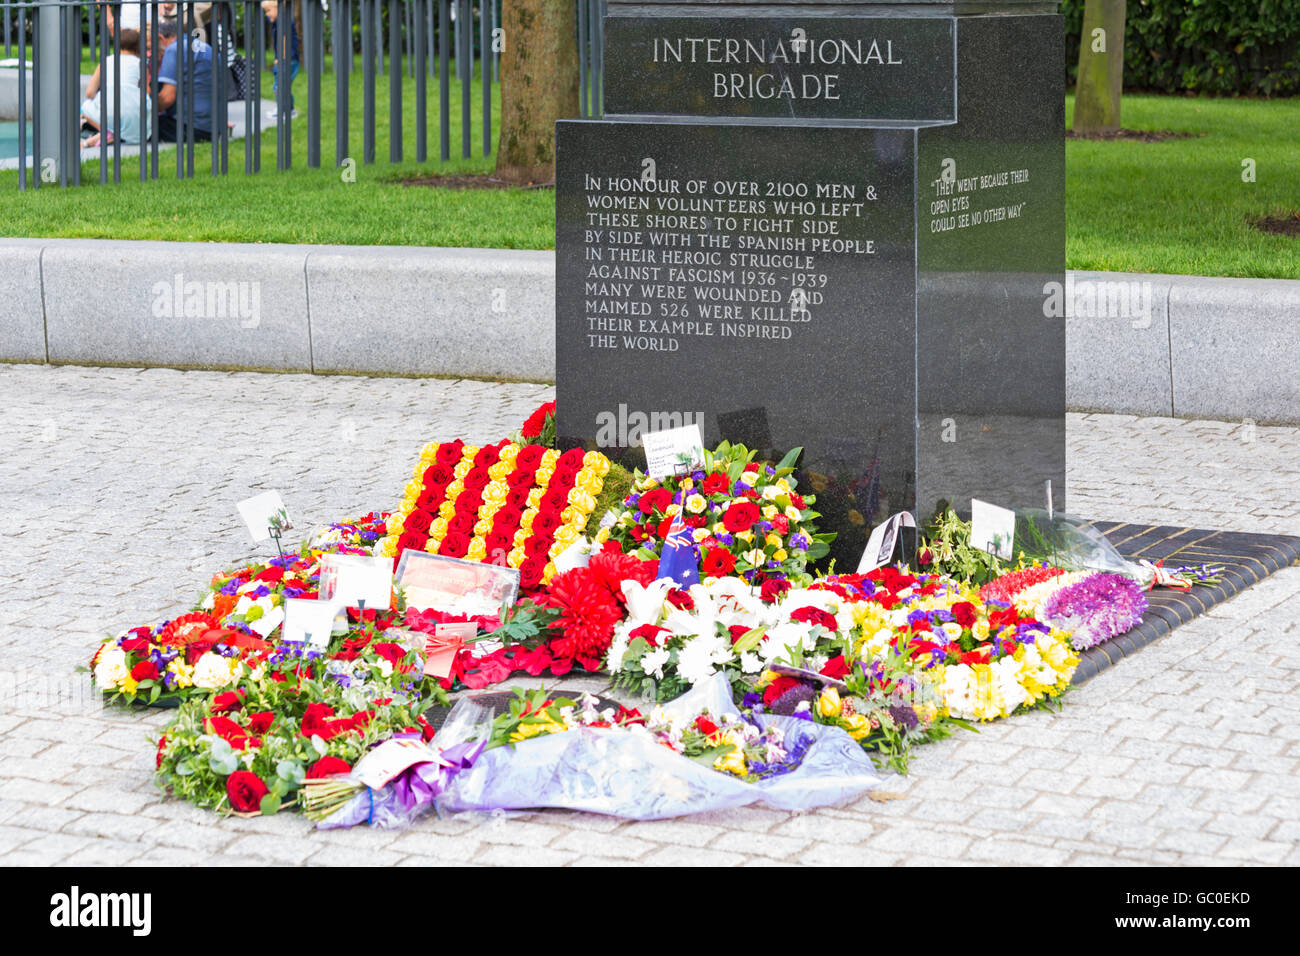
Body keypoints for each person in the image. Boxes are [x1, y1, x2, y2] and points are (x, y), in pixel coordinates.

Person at [81, 29, 152, 146]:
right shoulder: (141, 64)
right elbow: (146, 92)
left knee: (85, 107)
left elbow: (89, 93)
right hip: (135, 114)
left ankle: (107, 131)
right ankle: (113, 133)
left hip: (109, 111)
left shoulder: (106, 61)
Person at [155, 17, 215, 142]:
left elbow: (167, 98)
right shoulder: (205, 47)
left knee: (133, 126)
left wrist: (144, 110)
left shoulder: (174, 50)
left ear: (160, 37)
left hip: (189, 128)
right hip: (212, 127)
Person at [261, 0, 301, 118]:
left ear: (278, 8)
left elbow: (284, 39)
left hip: (288, 59)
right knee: (284, 86)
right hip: (290, 59)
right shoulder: (279, 20)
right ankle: (289, 109)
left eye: (268, 11)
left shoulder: (283, 21)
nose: (267, 14)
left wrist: (281, 57)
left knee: (279, 86)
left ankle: (282, 109)